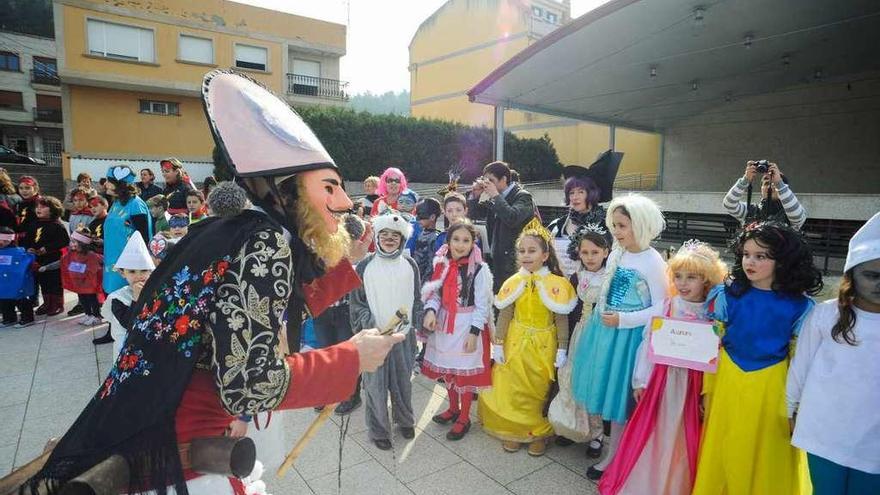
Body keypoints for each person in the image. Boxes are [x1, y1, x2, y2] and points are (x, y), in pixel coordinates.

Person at [25, 69, 404, 495]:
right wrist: (353, 356)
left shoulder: (225, 229)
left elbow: (265, 300)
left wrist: (344, 262)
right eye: (329, 187)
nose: (344, 202)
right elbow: (247, 384)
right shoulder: (266, 243)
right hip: (183, 455)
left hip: (142, 429)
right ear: (287, 191)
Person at [692, 221, 823, 495]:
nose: (749, 261)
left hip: (772, 385)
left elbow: (802, 360)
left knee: (765, 448)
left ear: (784, 261)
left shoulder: (801, 306)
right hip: (728, 377)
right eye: (746, 254)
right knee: (724, 443)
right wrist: (708, 388)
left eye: (760, 256)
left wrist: (796, 406)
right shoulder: (728, 295)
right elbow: (712, 345)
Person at [599, 240, 727, 495]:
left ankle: (678, 481)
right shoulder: (668, 305)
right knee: (657, 428)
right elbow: (648, 343)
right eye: (678, 276)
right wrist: (641, 380)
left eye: (691, 277)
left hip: (694, 383)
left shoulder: (714, 311)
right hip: (663, 379)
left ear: (707, 280)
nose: (682, 283)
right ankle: (649, 480)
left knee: (685, 431)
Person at [569, 194, 668, 480]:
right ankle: (612, 449)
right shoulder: (617, 252)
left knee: (620, 399)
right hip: (606, 331)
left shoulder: (652, 261)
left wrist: (625, 319)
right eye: (614, 225)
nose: (617, 232)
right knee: (607, 391)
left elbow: (662, 306)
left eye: (622, 226)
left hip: (630, 339)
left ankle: (617, 455)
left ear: (641, 224)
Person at [787, 211, 880, 495]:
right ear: (852, 272)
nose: (878, 284)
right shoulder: (826, 314)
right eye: (871, 275)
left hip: (873, 438)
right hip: (824, 430)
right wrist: (789, 408)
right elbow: (800, 365)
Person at [478, 218, 577, 457]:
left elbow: (561, 318)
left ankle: (537, 433)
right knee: (514, 387)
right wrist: (498, 344)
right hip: (515, 342)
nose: (525, 255)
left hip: (544, 345)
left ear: (545, 255)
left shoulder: (558, 284)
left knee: (538, 390)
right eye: (521, 251)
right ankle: (515, 430)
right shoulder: (514, 282)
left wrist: (562, 348)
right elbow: (505, 313)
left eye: (532, 250)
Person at [350, 212, 421, 450]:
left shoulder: (410, 264)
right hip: (374, 338)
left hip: (404, 336)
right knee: (375, 386)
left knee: (403, 382)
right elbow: (356, 303)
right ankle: (379, 429)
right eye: (384, 234)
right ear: (377, 237)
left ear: (402, 240)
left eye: (395, 235)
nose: (389, 239)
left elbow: (416, 298)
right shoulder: (365, 265)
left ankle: (405, 420)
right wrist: (369, 323)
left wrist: (421, 320)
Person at [421, 220, 493, 441]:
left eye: (466, 240)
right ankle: (452, 407)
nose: (460, 245)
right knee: (448, 370)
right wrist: (431, 311)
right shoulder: (441, 264)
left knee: (464, 374)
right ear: (448, 241)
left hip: (467, 325)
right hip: (444, 324)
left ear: (473, 243)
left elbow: (483, 304)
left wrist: (474, 333)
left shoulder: (480, 269)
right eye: (456, 239)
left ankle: (464, 417)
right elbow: (433, 293)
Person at [549, 223, 611, 451]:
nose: (590, 257)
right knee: (571, 378)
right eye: (585, 252)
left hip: (600, 336)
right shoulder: (576, 276)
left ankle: (596, 433)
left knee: (593, 382)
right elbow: (568, 309)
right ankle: (571, 426)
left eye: (595, 252)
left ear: (606, 251)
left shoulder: (611, 278)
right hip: (578, 334)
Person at [312, 212, 372, 416]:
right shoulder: (318, 250)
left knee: (347, 354)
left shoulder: (360, 257)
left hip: (347, 310)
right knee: (325, 352)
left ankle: (351, 395)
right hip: (322, 310)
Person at [93, 166, 152, 345]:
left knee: (124, 294)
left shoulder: (136, 204)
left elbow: (144, 235)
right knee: (113, 293)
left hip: (128, 260)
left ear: (121, 184)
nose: (106, 184)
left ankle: (128, 330)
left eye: (110, 181)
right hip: (112, 256)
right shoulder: (117, 202)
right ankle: (113, 330)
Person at [467, 161, 536, 291]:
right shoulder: (493, 196)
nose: (488, 184)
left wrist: (495, 196)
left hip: (515, 263)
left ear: (504, 179)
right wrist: (476, 193)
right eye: (485, 180)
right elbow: (473, 213)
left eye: (491, 180)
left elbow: (512, 218)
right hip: (496, 260)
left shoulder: (523, 196)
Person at [547, 150, 621, 240]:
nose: (575, 197)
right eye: (571, 193)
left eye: (581, 192)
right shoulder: (557, 225)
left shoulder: (607, 225)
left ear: (592, 194)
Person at [104, 233, 155, 358]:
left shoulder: (155, 293)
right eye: (132, 272)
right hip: (126, 351)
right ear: (122, 273)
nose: (138, 276)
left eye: (143, 271)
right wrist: (136, 299)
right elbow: (128, 324)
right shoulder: (117, 298)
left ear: (150, 271)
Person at [722, 160, 807, 230]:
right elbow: (729, 204)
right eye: (766, 183)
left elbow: (797, 216)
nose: (771, 186)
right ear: (761, 189)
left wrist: (778, 182)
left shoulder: (791, 212)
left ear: (784, 188)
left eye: (774, 184)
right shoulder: (750, 210)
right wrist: (745, 180)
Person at [27, 196, 70, 316]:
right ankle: (47, 303)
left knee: (54, 282)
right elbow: (28, 239)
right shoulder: (33, 224)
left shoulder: (57, 225)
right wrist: (29, 248)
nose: (38, 209)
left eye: (43, 207)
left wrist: (47, 248)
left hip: (53, 258)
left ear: (53, 209)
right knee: (43, 281)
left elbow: (63, 241)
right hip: (37, 258)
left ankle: (57, 304)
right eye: (37, 207)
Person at [60, 227, 104, 327]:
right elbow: (64, 261)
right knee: (82, 299)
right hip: (79, 283)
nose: (71, 244)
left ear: (83, 244)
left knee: (92, 299)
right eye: (71, 241)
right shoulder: (71, 254)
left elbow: (98, 263)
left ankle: (97, 316)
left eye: (74, 242)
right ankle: (88, 314)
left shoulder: (91, 255)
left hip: (89, 284)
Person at [0, 226, 35, 327]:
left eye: (3, 240)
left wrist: (31, 255)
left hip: (16, 282)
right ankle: (9, 318)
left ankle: (27, 318)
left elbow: (28, 259)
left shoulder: (18, 252)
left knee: (20, 299)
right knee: (4, 300)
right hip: (2, 282)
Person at [406, 197, 442, 281]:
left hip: (424, 279)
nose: (417, 219)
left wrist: (425, 282)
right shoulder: (422, 233)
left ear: (432, 217)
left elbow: (431, 264)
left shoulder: (435, 238)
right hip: (415, 273)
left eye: (421, 216)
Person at [15, 175, 41, 246]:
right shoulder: (19, 202)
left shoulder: (41, 203)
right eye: (21, 188)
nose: (24, 191)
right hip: (21, 240)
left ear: (35, 188)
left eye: (27, 188)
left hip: (37, 239)